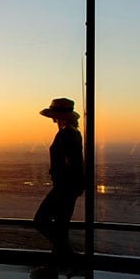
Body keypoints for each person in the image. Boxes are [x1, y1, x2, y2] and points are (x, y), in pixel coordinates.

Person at [33, 98, 85, 256]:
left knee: (41, 221)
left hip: (64, 187)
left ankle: (65, 252)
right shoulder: (74, 133)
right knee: (62, 224)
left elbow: (72, 163)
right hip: (70, 187)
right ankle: (58, 260)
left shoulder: (65, 134)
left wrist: (66, 184)